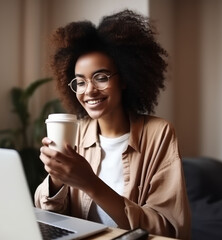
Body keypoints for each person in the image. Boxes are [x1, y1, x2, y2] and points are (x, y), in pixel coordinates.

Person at [34, 9, 191, 239]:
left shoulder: (159, 133)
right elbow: (47, 215)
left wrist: (90, 183)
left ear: (125, 79)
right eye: (80, 82)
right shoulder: (76, 132)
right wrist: (57, 178)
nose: (89, 91)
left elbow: (168, 229)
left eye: (101, 77)